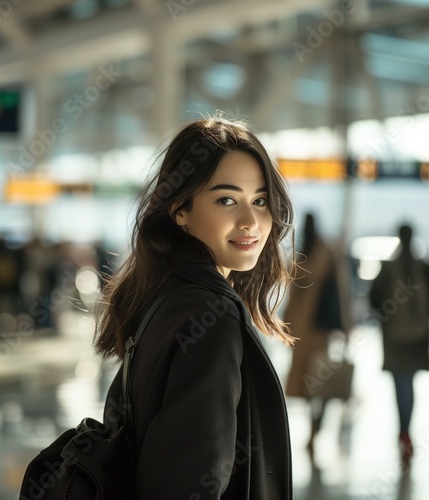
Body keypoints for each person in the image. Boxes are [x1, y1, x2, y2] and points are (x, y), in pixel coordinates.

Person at [94, 116, 296, 499]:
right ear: (179, 209)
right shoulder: (212, 316)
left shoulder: (164, 295)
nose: (250, 221)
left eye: (260, 201)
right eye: (226, 200)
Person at [369, 224, 429, 465]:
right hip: (418, 337)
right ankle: (406, 432)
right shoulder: (424, 267)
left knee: (401, 383)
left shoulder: (388, 268)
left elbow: (374, 300)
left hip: (394, 336)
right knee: (409, 382)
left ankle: (404, 432)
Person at [283, 213, 347, 457]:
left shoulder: (301, 256)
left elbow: (292, 297)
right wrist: (346, 326)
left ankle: (314, 430)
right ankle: (315, 429)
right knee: (321, 382)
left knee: (311, 384)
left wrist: (287, 328)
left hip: (303, 328)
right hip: (320, 330)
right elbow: (341, 293)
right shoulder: (328, 254)